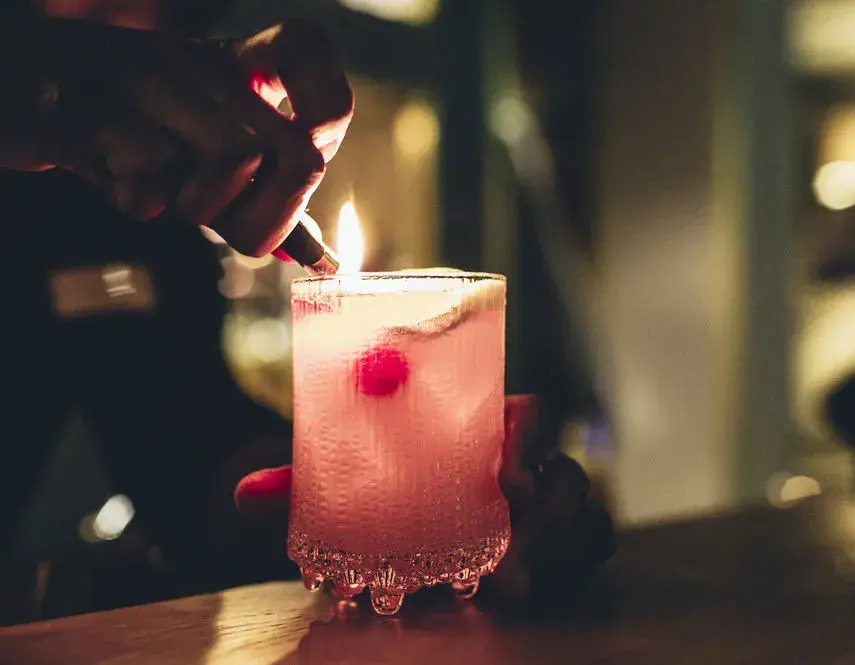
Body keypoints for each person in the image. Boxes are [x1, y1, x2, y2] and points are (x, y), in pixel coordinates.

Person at [0, 0, 614, 618]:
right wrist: (33, 70)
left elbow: (180, 440)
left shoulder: (126, 205)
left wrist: (387, 487)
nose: (131, 33)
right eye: (92, 18)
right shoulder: (51, 111)